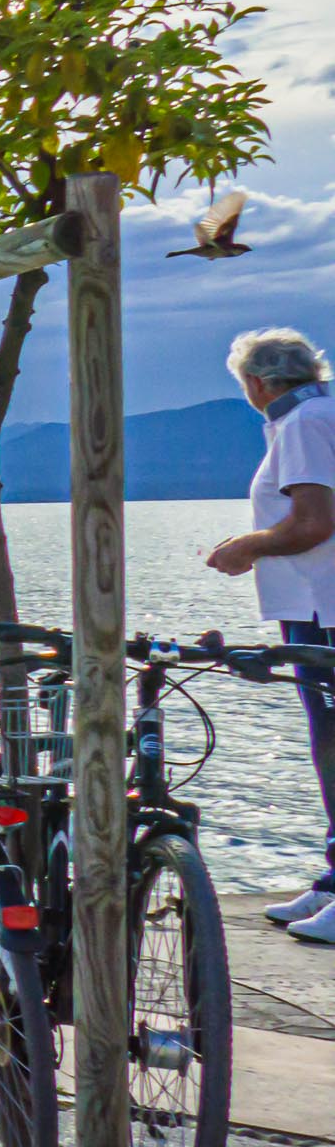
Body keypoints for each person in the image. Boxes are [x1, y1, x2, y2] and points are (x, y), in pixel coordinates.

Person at [206, 327, 335, 945]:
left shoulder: (306, 423)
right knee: (327, 742)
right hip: (315, 605)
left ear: (256, 384)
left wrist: (245, 548)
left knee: (333, 744)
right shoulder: (315, 415)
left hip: (324, 607)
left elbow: (312, 523)